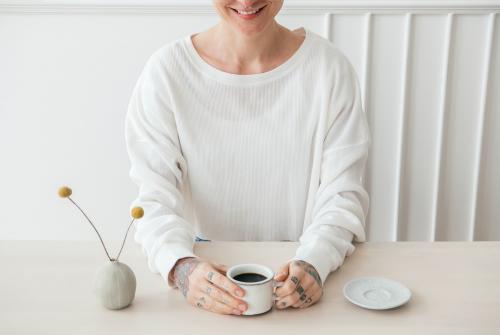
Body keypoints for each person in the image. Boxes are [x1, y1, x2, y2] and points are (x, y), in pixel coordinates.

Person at [125, 0, 371, 316]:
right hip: (206, 287)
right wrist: (182, 266)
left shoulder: (329, 69)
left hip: (299, 290)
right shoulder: (166, 73)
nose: (247, 1)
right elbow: (153, 200)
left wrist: (315, 262)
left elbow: (343, 194)